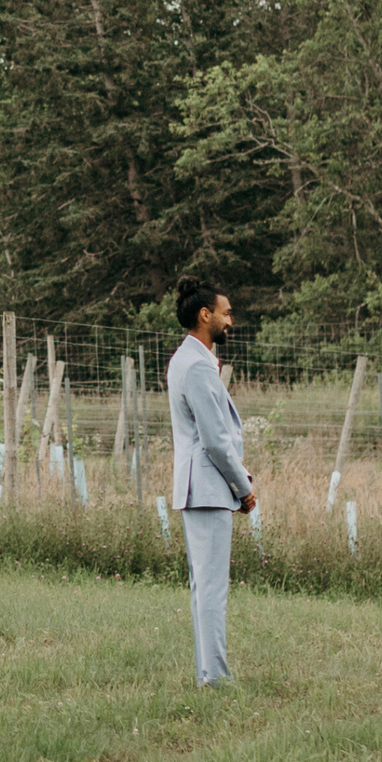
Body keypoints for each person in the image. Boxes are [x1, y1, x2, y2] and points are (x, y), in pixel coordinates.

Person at [165, 275, 255, 688]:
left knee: (205, 588)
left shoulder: (186, 360)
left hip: (197, 487)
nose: (230, 319)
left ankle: (209, 674)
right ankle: (215, 679)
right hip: (208, 487)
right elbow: (216, 441)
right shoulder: (197, 366)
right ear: (206, 315)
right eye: (226, 312)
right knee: (212, 590)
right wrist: (244, 487)